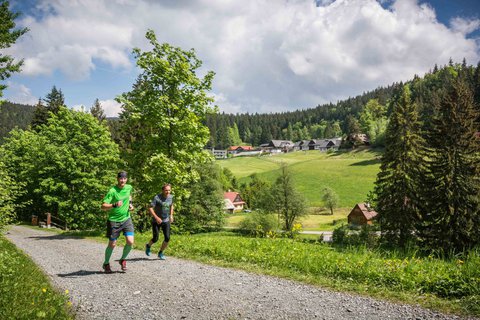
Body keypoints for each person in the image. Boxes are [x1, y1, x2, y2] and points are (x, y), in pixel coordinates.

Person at [100, 171, 134, 273]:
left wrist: (130, 204)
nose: (122, 180)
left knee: (130, 241)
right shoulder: (112, 191)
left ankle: (122, 259)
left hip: (126, 219)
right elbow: (103, 206)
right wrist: (114, 205)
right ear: (117, 179)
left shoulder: (129, 187)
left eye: (124, 178)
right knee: (112, 244)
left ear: (126, 179)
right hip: (114, 221)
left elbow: (129, 196)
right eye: (120, 178)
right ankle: (106, 263)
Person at [145, 183, 174, 260]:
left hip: (166, 220)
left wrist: (171, 215)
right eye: (166, 190)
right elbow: (150, 208)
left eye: (169, 190)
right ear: (162, 190)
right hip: (156, 221)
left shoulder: (171, 197)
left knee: (167, 238)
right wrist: (156, 217)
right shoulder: (157, 197)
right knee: (155, 238)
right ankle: (148, 246)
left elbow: (171, 206)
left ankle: (160, 252)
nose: (168, 192)